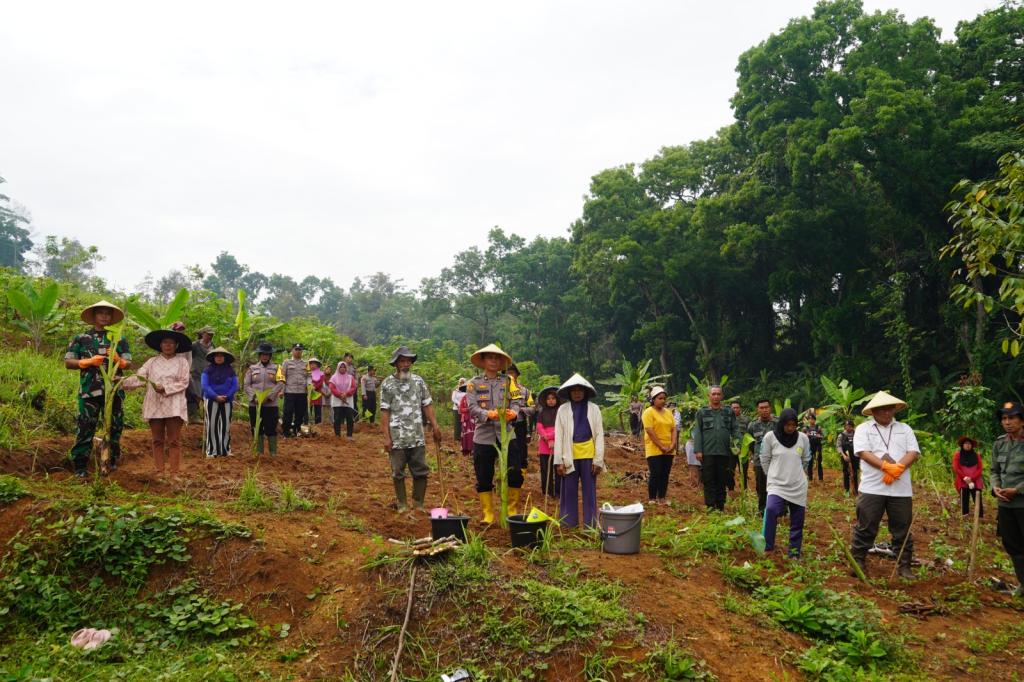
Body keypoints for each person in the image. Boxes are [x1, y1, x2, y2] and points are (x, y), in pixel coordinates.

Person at [850, 391, 921, 579]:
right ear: (873, 411)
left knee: (902, 529)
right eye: (882, 409)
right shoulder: (863, 429)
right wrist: (885, 466)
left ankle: (904, 566)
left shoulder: (904, 428)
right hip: (872, 487)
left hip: (900, 489)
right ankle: (858, 561)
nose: (887, 412)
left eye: (890, 409)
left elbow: (913, 452)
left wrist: (898, 468)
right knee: (866, 526)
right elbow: (863, 453)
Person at [64, 301, 132, 478]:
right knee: (85, 427)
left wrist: (118, 360)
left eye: (107, 314)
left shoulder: (118, 339)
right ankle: (80, 466)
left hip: (114, 391)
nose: (104, 316)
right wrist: (86, 362)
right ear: (94, 316)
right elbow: (68, 362)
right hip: (89, 391)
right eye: (100, 313)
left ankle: (110, 462)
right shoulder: (81, 338)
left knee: (115, 427)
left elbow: (128, 363)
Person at [379, 346, 441, 512]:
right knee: (398, 471)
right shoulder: (387, 384)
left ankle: (418, 504)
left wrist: (435, 425)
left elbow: (427, 404)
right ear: (396, 364)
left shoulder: (418, 382)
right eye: (402, 361)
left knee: (420, 471)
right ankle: (402, 504)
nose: (406, 364)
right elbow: (385, 411)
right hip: (397, 437)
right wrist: (386, 437)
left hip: (417, 435)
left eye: (408, 361)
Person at [466, 344, 524, 523]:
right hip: (483, 435)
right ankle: (488, 513)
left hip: (507, 433)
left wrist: (514, 413)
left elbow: (517, 401)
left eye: (497, 358)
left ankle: (511, 511)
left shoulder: (509, 381)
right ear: (483, 361)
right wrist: (487, 414)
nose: (493, 361)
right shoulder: (473, 383)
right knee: (484, 474)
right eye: (490, 357)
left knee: (515, 473)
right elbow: (471, 407)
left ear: (501, 362)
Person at [123, 329, 192, 477]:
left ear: (176, 345)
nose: (168, 345)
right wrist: (122, 382)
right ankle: (159, 471)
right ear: (160, 345)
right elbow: (140, 378)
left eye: (171, 343)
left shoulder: (182, 362)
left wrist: (165, 388)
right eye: (165, 342)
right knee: (157, 440)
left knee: (174, 440)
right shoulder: (151, 362)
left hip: (174, 404)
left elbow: (184, 382)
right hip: (154, 404)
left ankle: (174, 473)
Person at [554, 373, 604, 529]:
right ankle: (568, 524)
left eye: (580, 390)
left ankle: (591, 525)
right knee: (568, 491)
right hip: (569, 454)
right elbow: (559, 435)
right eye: (573, 390)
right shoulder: (562, 410)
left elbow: (599, 434)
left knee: (589, 491)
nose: (577, 393)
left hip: (589, 454)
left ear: (585, 392)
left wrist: (598, 460)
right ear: (569, 393)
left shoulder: (594, 409)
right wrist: (558, 461)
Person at [760, 408, 811, 557]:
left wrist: (799, 473)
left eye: (793, 425)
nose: (790, 428)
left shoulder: (803, 438)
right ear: (782, 423)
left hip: (798, 485)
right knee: (771, 510)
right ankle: (768, 547)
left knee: (797, 520)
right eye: (787, 425)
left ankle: (794, 552)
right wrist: (772, 475)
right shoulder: (770, 437)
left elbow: (806, 459)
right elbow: (764, 459)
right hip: (777, 484)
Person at [992, 401, 1024, 597]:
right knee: (1013, 546)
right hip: (1006, 505)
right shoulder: (1000, 443)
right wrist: (995, 487)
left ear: (1022, 420)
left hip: (1022, 503)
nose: (1007, 422)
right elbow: (994, 470)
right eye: (1004, 418)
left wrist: (1018, 490)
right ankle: (1022, 584)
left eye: (1012, 418)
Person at [693, 385, 740, 511]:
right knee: (709, 480)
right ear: (709, 396)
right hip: (707, 452)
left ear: (722, 396)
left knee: (722, 479)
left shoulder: (728, 412)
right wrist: (698, 450)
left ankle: (720, 506)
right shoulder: (702, 413)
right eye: (713, 394)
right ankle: (710, 506)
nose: (716, 396)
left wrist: (738, 445)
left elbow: (735, 429)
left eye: (718, 394)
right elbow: (698, 432)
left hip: (724, 452)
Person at [243, 342, 284, 456]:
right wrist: (254, 397)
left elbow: (280, 383)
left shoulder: (277, 368)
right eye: (262, 354)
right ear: (259, 355)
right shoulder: (252, 368)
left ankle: (273, 453)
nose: (265, 356)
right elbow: (246, 385)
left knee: (271, 427)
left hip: (271, 404)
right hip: (255, 404)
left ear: (270, 355)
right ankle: (259, 452)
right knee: (256, 427)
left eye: (267, 354)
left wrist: (269, 397)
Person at [643, 386, 678, 505]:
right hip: (654, 448)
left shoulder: (668, 412)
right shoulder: (648, 412)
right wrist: (661, 446)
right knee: (655, 472)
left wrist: (673, 444)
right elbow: (649, 430)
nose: (663, 401)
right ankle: (652, 498)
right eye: (660, 398)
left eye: (664, 398)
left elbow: (674, 429)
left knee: (665, 474)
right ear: (653, 399)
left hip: (669, 449)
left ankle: (662, 497)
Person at [201, 347, 238, 457]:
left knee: (226, 425)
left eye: (221, 356)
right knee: (212, 425)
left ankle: (225, 450)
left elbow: (235, 385)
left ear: (225, 357)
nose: (219, 358)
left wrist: (227, 396)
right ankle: (212, 451)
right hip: (211, 400)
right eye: (217, 356)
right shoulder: (207, 370)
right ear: (213, 357)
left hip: (227, 400)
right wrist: (215, 396)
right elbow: (204, 385)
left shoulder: (230, 370)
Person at [745, 400, 776, 514]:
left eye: (766, 407)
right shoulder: (752, 425)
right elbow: (750, 443)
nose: (764, 410)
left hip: (776, 461)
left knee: (777, 486)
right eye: (761, 408)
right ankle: (762, 510)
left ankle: (779, 509)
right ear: (757, 410)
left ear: (770, 408)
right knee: (761, 487)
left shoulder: (777, 423)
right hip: (759, 461)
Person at [507, 364, 535, 483]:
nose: (509, 375)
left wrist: (522, 410)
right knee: (507, 452)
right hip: (505, 426)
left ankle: (521, 478)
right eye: (507, 373)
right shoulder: (501, 390)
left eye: (512, 373)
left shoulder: (525, 391)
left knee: (521, 451)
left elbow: (533, 408)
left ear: (517, 375)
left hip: (519, 425)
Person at [278, 343, 310, 437]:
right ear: (292, 350)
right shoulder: (286, 362)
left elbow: (309, 376)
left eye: (300, 349)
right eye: (296, 349)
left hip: (302, 392)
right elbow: (283, 377)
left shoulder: (306, 363)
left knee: (300, 413)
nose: (298, 351)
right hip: (289, 391)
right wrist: (281, 391)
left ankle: (296, 430)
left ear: (302, 351)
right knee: (288, 412)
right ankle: (286, 432)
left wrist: (309, 386)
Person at [535, 386, 561, 499]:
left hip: (558, 445)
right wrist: (547, 438)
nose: (551, 401)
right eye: (548, 399)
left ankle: (559, 492)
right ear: (545, 400)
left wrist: (550, 437)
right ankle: (547, 492)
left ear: (557, 400)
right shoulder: (542, 412)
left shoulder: (560, 412)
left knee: (559, 469)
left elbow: (560, 427)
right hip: (544, 445)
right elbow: (539, 427)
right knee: (545, 470)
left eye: (553, 398)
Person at [188, 326, 215, 424]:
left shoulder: (213, 346)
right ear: (203, 334)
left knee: (207, 396)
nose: (210, 336)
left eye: (212, 334)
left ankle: (207, 417)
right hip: (196, 375)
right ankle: (193, 417)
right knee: (195, 396)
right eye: (208, 334)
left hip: (209, 376)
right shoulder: (195, 345)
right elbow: (188, 357)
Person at [953, 436, 983, 518]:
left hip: (975, 481)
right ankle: (965, 516)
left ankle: (979, 517)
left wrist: (971, 479)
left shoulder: (976, 455)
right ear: (962, 445)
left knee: (977, 498)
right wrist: (965, 478)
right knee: (964, 499)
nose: (967, 445)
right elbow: (956, 468)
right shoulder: (957, 455)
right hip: (963, 481)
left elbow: (980, 468)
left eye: (969, 444)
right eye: (966, 443)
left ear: (972, 446)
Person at [329, 361, 357, 439]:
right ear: (338, 368)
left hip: (348, 400)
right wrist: (340, 395)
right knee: (337, 418)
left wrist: (346, 394)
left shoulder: (350, 377)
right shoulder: (333, 377)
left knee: (350, 418)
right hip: (337, 400)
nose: (342, 368)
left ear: (346, 368)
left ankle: (349, 435)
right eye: (341, 367)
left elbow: (353, 387)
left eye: (344, 367)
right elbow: (332, 387)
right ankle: (337, 435)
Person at [729, 401, 749, 492]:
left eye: (737, 407)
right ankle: (731, 489)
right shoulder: (727, 420)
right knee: (730, 470)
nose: (735, 409)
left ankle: (744, 490)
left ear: (740, 408)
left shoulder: (746, 420)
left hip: (743, 450)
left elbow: (749, 434)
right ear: (731, 409)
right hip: (730, 449)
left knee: (743, 471)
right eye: (734, 408)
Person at [837, 419, 859, 495]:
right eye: (847, 426)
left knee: (855, 472)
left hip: (855, 456)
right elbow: (839, 446)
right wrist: (843, 455)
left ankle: (855, 490)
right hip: (845, 456)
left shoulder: (856, 434)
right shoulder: (841, 435)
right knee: (846, 473)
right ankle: (847, 490)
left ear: (853, 427)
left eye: (850, 426)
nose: (848, 428)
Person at [803, 413, 824, 482]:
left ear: (815, 420)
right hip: (809, 446)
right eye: (810, 419)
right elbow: (802, 437)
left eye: (812, 419)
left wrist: (819, 436)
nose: (811, 420)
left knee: (819, 462)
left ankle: (821, 478)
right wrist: (806, 435)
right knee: (810, 462)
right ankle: (810, 478)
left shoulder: (818, 427)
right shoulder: (806, 428)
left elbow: (823, 436)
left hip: (818, 446)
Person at [457, 381, 475, 457]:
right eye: (468, 389)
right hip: (466, 419)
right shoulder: (464, 398)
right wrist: (468, 409)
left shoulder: (475, 397)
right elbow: (460, 409)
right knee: (467, 434)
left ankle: (474, 450)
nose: (469, 390)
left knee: (474, 434)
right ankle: (467, 449)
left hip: (474, 419)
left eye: (470, 388)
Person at [308, 358, 327, 425]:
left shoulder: (321, 374)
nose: (312, 365)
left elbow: (321, 382)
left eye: (314, 364)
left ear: (317, 365)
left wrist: (315, 387)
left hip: (318, 393)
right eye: (311, 364)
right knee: (308, 408)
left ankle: (318, 423)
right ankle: (307, 423)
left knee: (318, 408)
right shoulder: (308, 373)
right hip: (309, 394)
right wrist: (309, 387)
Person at [343, 352, 359, 420]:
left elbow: (356, 377)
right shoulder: (341, 366)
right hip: (343, 387)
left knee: (354, 402)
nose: (350, 359)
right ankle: (343, 419)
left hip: (353, 387)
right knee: (343, 402)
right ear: (345, 358)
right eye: (348, 357)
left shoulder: (354, 367)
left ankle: (355, 419)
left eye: (351, 358)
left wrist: (355, 384)